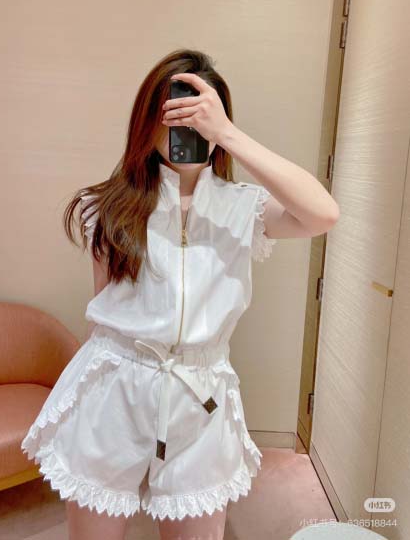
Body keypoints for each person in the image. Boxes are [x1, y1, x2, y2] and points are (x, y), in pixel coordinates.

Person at [21, 49, 339, 540]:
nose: (186, 127)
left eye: (200, 115)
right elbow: (103, 311)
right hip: (115, 389)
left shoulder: (243, 209)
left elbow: (323, 214)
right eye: (174, 112)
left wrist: (228, 134)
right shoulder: (105, 207)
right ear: (148, 122)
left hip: (201, 395)